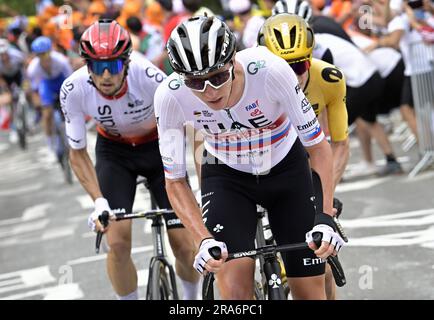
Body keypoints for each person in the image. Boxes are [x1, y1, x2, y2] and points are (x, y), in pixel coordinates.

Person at [155, 15, 345, 299]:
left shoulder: (271, 71)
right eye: (196, 82)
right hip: (226, 175)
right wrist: (202, 239)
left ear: (233, 61)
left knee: (309, 293)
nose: (209, 91)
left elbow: (318, 147)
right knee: (234, 293)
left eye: (217, 77)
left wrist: (325, 216)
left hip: (285, 168)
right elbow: (175, 180)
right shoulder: (169, 97)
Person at [60, 19, 199, 300]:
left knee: (184, 245)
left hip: (158, 147)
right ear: (87, 67)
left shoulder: (149, 76)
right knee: (118, 243)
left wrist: (200, 179)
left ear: (127, 61)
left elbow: (189, 125)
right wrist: (99, 202)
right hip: (115, 153)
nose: (107, 75)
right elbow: (77, 152)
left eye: (114, 65)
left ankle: (191, 298)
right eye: (98, 67)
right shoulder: (73, 90)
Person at [258, 13, 349, 300]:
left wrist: (326, 196)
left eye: (299, 65)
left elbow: (339, 145)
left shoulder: (329, 80)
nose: (291, 75)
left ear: (311, 57)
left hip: (308, 164)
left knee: (320, 267)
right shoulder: (248, 83)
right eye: (282, 66)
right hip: (260, 163)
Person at [27, 36, 73, 164]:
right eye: (40, 55)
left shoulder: (61, 61)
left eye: (46, 54)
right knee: (46, 114)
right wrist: (40, 104)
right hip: (46, 84)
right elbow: (35, 90)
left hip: (62, 81)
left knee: (70, 108)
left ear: (50, 51)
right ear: (36, 55)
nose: (44, 58)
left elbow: (72, 80)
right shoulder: (33, 68)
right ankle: (51, 147)